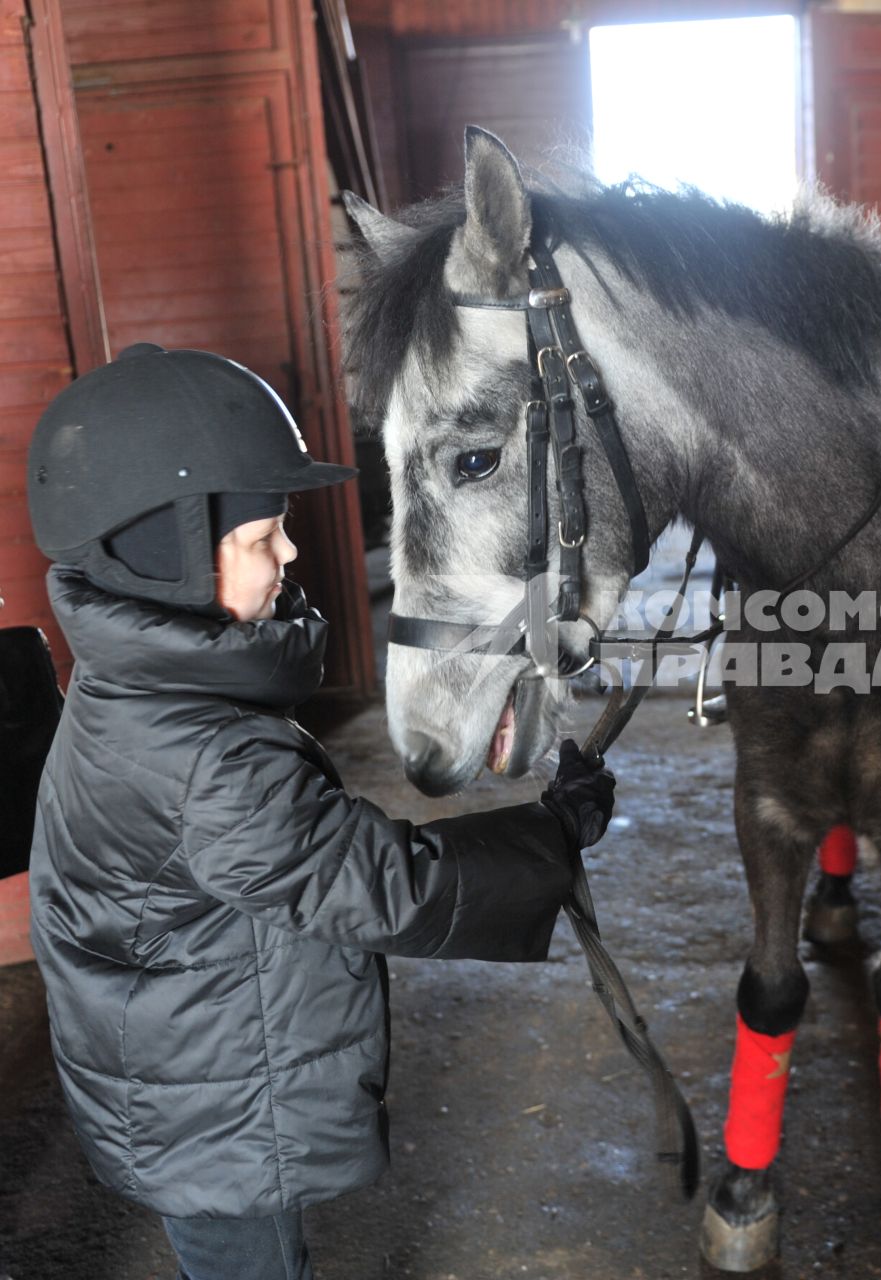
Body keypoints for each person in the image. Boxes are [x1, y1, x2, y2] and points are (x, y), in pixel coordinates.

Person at [25, 344, 615, 1280]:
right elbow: (373, 884)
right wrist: (552, 834)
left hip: (176, 1062)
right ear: (163, 558)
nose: (291, 554)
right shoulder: (205, 754)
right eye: (262, 541)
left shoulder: (129, 687)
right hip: (212, 1106)